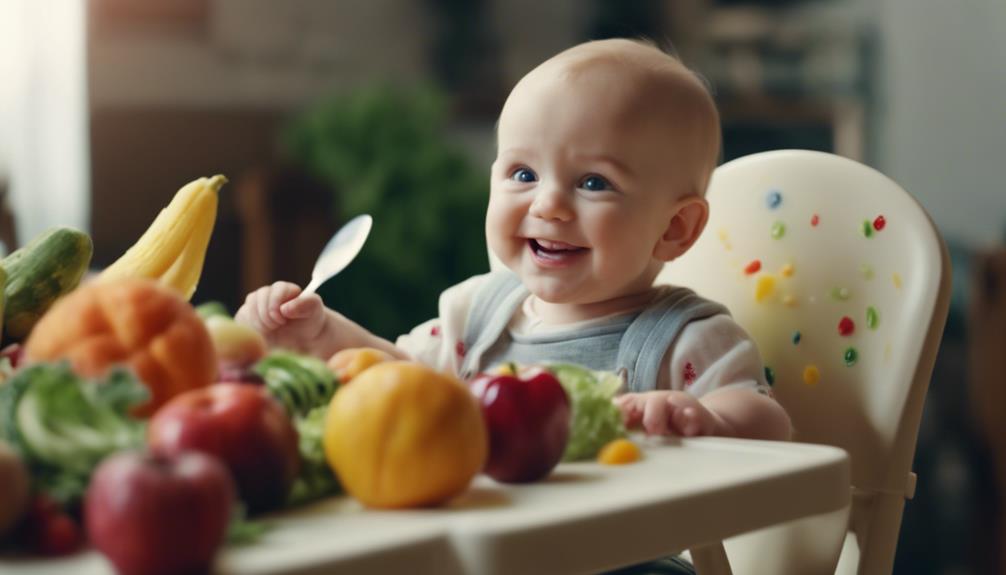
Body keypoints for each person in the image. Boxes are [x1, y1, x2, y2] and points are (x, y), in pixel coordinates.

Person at [236, 38, 791, 442]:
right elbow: (400, 374)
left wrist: (710, 419)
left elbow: (772, 425)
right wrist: (322, 331)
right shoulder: (477, 317)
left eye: (593, 183)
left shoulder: (685, 342)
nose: (546, 204)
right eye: (523, 175)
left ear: (674, 228)